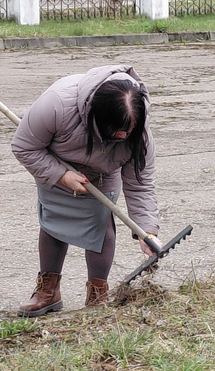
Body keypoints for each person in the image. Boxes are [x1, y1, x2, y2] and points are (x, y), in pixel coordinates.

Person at [11, 65, 160, 317]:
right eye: (116, 129)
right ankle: (48, 291)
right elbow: (24, 147)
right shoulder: (57, 104)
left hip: (104, 174)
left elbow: (140, 182)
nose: (124, 134)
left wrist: (146, 229)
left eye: (129, 129)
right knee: (53, 223)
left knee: (100, 227)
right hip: (59, 165)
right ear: (96, 116)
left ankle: (97, 295)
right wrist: (61, 175)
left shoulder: (139, 131)